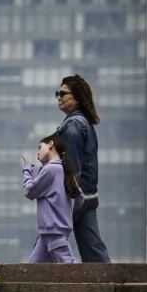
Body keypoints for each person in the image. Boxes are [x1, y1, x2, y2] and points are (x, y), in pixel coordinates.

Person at [55, 73, 112, 263]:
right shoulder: (83, 123)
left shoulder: (73, 126)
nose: (59, 97)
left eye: (63, 93)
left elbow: (71, 167)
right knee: (92, 248)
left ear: (77, 97)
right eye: (58, 93)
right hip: (87, 196)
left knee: (50, 238)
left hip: (75, 196)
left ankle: (31, 285)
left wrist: (64, 195)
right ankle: (108, 285)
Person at [21, 133, 83, 264]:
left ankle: (89, 285)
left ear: (50, 144)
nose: (37, 153)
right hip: (50, 231)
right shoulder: (66, 170)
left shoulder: (50, 170)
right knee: (34, 266)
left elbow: (29, 190)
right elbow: (80, 198)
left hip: (53, 229)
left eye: (39, 147)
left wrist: (27, 168)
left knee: (68, 265)